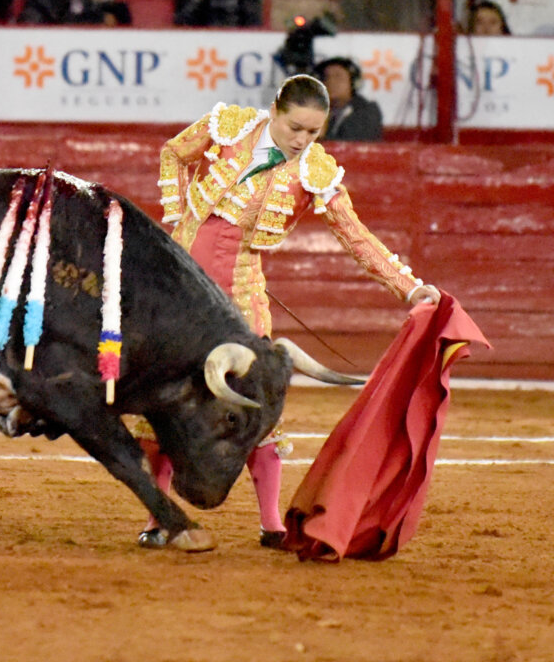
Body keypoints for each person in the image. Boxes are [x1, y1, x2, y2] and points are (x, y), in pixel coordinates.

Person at [134, 74, 440, 550]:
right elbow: (174, 151)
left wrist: (409, 288)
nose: (302, 140)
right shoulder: (228, 126)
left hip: (241, 293)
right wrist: (176, 217)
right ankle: (159, 517)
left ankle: (272, 522)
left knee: (259, 403)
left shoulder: (314, 170)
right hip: (179, 289)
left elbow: (356, 237)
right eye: (296, 128)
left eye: (313, 133)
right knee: (163, 400)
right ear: (274, 110)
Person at [314, 57, 383, 141]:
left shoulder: (367, 111)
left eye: (338, 77)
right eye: (326, 77)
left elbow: (350, 145)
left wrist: (320, 137)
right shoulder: (324, 111)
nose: (330, 82)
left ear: (353, 83)